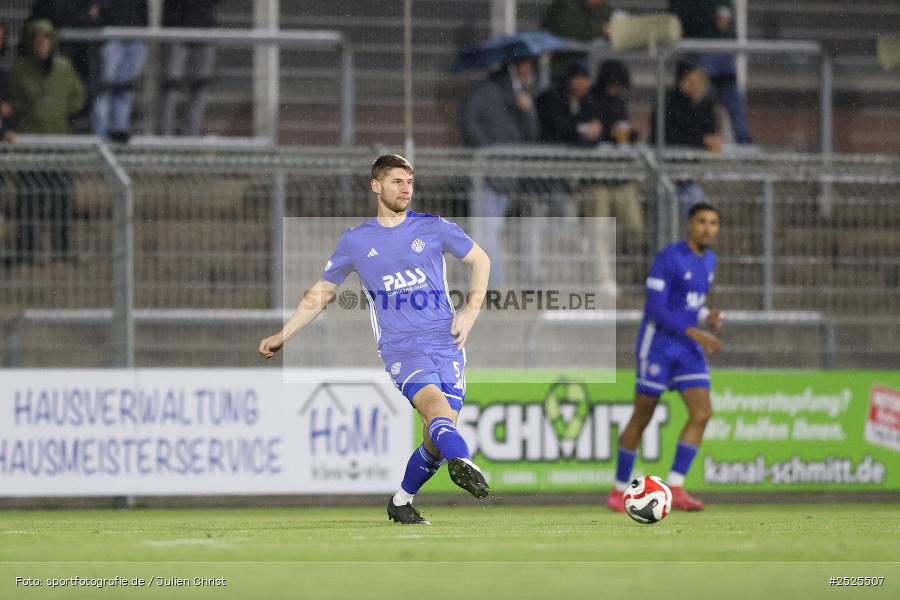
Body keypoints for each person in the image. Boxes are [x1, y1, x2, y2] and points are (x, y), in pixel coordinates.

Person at [258, 154, 492, 525]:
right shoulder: (356, 240)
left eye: (409, 182)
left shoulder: (433, 227)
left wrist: (471, 312)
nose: (406, 188)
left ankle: (401, 501)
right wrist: (284, 334)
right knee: (436, 411)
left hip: (447, 343)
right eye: (397, 181)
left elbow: (481, 260)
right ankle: (463, 461)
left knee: (436, 435)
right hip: (402, 348)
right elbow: (322, 291)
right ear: (376, 186)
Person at [607, 202, 724, 513]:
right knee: (643, 417)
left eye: (713, 223)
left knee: (702, 412)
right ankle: (618, 490)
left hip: (687, 348)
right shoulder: (669, 257)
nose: (708, 228)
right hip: (658, 345)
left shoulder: (710, 260)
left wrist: (706, 316)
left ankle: (676, 486)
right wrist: (696, 331)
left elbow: (685, 303)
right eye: (702, 222)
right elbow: (655, 308)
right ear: (690, 225)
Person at [458, 58, 540, 287]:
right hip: (488, 173)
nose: (529, 70)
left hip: (506, 174)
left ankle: (491, 286)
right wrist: (488, 152)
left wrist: (527, 111)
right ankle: (493, 286)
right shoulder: (488, 91)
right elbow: (468, 121)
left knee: (490, 231)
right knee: (488, 232)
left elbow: (532, 134)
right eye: (525, 65)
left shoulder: (519, 96)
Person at [8, 19, 84, 264]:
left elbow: (78, 98)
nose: (41, 44)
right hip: (30, 144)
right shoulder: (19, 71)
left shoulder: (64, 68)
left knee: (63, 196)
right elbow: (13, 104)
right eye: (37, 39)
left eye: (46, 39)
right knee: (29, 198)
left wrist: (58, 111)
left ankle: (63, 249)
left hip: (58, 142)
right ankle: (27, 250)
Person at [582, 59, 644, 295]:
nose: (618, 90)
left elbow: (621, 131)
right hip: (596, 179)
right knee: (600, 230)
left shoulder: (620, 103)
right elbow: (586, 134)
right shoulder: (589, 100)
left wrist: (630, 135)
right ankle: (603, 277)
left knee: (634, 227)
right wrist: (602, 133)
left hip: (620, 178)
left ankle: (632, 272)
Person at [669, 0, 752, 144]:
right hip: (698, 55)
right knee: (701, 101)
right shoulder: (685, 4)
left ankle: (743, 143)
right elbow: (679, 21)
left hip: (721, 57)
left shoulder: (721, 4)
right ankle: (703, 141)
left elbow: (728, 30)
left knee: (731, 101)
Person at [650, 60, 723, 213]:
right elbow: (666, 135)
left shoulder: (706, 104)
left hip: (689, 175)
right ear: (681, 81)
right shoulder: (667, 102)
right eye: (690, 81)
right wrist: (702, 140)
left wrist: (713, 140)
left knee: (694, 202)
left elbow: (710, 132)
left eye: (698, 81)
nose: (695, 86)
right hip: (666, 171)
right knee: (666, 207)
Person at [159, 0, 221, 136]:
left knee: (201, 84)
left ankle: (191, 132)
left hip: (205, 29)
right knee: (170, 84)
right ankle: (165, 134)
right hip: (176, 29)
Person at [91, 0, 149, 142]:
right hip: (110, 37)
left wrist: (143, 37)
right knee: (105, 88)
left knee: (125, 89)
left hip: (136, 38)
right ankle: (101, 134)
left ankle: (119, 130)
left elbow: (142, 9)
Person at [541, 0, 614, 42]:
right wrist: (601, 30)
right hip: (559, 52)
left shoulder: (602, 7)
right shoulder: (566, 4)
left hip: (587, 52)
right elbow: (570, 31)